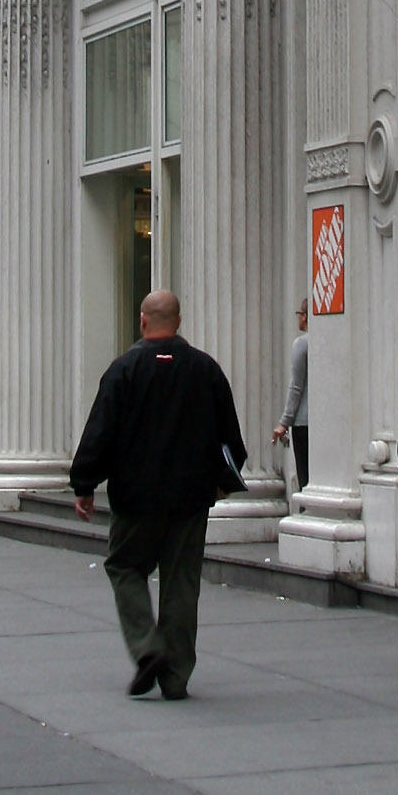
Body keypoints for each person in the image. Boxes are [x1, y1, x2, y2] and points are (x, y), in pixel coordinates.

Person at [72, 290, 247, 700]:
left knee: (124, 567)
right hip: (190, 498)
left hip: (136, 498)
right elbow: (231, 439)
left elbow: (100, 432)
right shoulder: (206, 370)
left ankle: (147, 647)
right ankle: (176, 675)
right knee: (182, 583)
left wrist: (84, 484)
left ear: (143, 320)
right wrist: (222, 481)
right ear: (179, 321)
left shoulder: (123, 370)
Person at [270, 303, 311, 492]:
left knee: (305, 476)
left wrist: (284, 422)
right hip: (321, 423)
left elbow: (296, 386)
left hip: (303, 421)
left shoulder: (301, 344)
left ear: (305, 316)